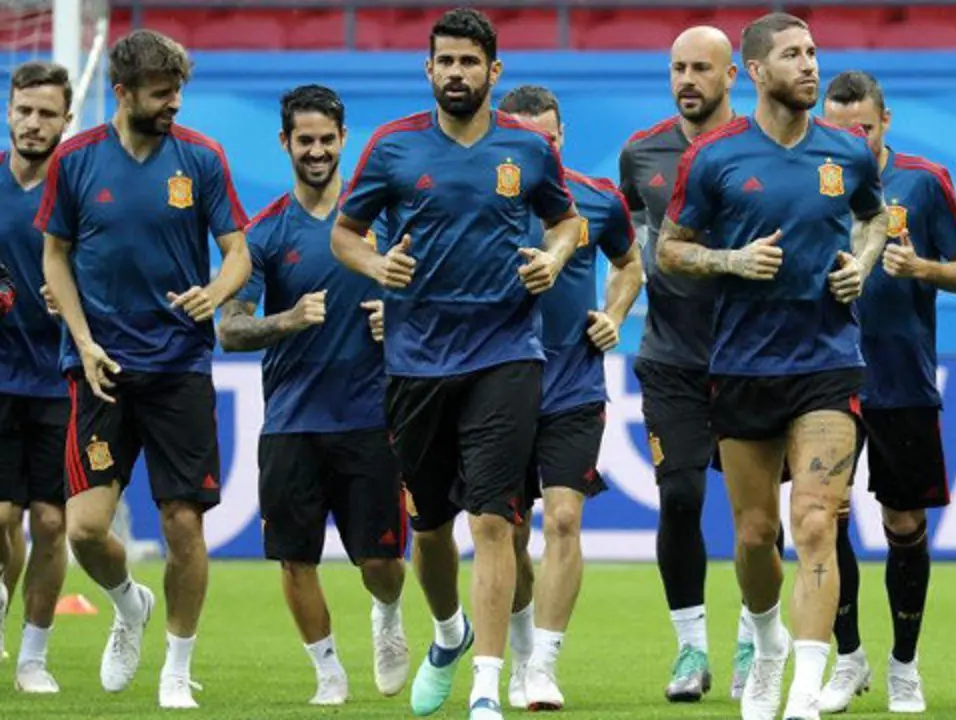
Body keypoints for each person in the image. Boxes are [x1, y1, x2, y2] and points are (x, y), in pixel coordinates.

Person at [330, 9, 582, 720]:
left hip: (507, 352)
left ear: (493, 72)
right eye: (445, 61)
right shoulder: (391, 148)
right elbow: (346, 236)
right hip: (415, 362)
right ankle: (448, 635)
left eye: (470, 62)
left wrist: (553, 256)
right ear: (428, 68)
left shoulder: (527, 150)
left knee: (494, 523)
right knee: (432, 529)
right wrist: (379, 264)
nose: (456, 73)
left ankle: (486, 687)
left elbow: (566, 221)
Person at [658, 13, 890, 720]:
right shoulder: (715, 158)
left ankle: (806, 695)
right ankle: (766, 645)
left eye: (814, 51)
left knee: (817, 520)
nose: (811, 65)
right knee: (757, 536)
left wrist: (864, 262)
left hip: (827, 362)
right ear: (756, 71)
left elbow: (875, 216)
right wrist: (730, 260)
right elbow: (671, 247)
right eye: (794, 55)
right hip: (742, 366)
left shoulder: (848, 152)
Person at [37, 29, 250, 710]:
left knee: (184, 524)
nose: (174, 104)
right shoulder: (74, 162)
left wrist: (215, 295)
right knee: (85, 530)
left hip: (180, 367)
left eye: (179, 90)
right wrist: (82, 339)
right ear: (122, 93)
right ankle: (131, 605)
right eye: (162, 93)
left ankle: (176, 670)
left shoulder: (202, 159)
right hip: (100, 370)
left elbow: (238, 253)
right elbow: (54, 258)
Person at [216, 84, 411, 707]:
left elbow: (432, 297)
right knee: (294, 559)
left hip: (371, 419)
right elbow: (231, 327)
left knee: (380, 565)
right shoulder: (266, 233)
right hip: (291, 422)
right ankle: (327, 672)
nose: (318, 150)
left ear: (344, 140)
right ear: (285, 143)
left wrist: (398, 315)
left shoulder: (379, 222)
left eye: (328, 140)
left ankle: (387, 617)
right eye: (306, 140)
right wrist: (288, 320)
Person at [818, 70, 956, 714]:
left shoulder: (923, 181)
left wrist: (921, 268)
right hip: (824, 376)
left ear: (884, 124)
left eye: (861, 128)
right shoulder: (810, 176)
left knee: (903, 523)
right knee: (819, 519)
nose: (850, 139)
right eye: (838, 129)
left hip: (901, 378)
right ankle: (849, 656)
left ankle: (904, 665)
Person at [618, 25, 772, 703]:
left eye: (700, 68)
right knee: (680, 498)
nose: (687, 80)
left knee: (755, 519)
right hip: (670, 358)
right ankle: (689, 649)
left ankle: (752, 636)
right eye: (677, 67)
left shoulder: (760, 149)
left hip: (750, 358)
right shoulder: (641, 152)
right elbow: (629, 237)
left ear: (732, 74)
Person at [498, 84, 644, 711]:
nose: (541, 149)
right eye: (527, 140)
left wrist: (614, 314)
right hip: (496, 384)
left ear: (562, 137)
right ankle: (522, 648)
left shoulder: (598, 198)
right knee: (502, 536)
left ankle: (544, 666)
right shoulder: (483, 199)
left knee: (561, 519)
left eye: (548, 139)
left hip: (573, 384)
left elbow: (630, 264)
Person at [0, 59, 73, 693]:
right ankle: (2, 599)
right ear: (9, 111)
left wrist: (75, 298)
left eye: (46, 113)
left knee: (51, 523)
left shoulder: (75, 188)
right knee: (0, 516)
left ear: (66, 121)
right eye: (24, 110)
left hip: (60, 378)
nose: (33, 122)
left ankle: (33, 657)